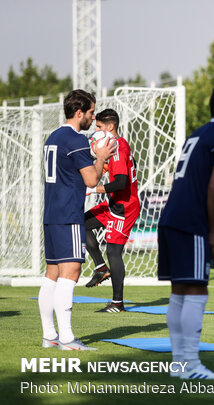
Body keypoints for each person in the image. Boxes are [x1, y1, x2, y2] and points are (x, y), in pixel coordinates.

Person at [158, 84, 214, 380]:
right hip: (191, 222)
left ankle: (179, 363)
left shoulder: (196, 134)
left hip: (170, 217)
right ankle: (191, 366)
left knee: (179, 292)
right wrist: (213, 231)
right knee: (196, 289)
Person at [39, 89, 116, 351]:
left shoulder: (54, 137)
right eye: (92, 112)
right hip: (69, 215)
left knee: (52, 274)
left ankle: (50, 336)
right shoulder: (75, 139)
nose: (93, 117)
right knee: (70, 273)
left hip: (51, 215)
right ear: (79, 112)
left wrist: (94, 160)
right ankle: (68, 339)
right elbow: (92, 181)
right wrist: (102, 159)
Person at [83, 109, 140, 313]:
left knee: (113, 251)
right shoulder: (118, 145)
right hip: (113, 203)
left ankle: (117, 303)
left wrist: (94, 189)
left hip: (125, 208)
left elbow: (122, 182)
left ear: (109, 127)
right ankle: (100, 268)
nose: (95, 130)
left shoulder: (119, 148)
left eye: (98, 127)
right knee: (81, 224)